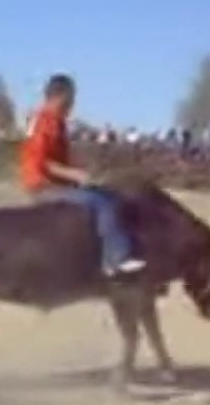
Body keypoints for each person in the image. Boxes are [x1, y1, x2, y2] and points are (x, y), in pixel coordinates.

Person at [19, 74, 146, 276]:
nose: (73, 104)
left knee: (108, 195)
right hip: (44, 186)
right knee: (103, 203)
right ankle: (115, 259)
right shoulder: (45, 121)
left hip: (53, 183)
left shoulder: (53, 122)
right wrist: (75, 175)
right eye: (71, 98)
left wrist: (78, 175)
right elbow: (43, 163)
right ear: (60, 96)